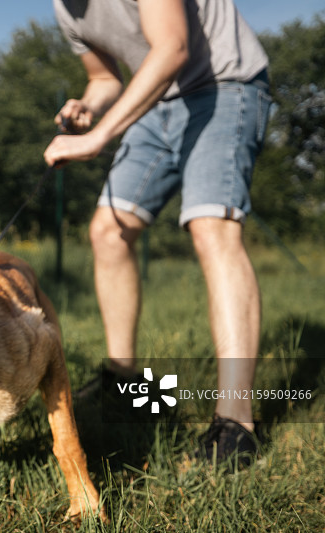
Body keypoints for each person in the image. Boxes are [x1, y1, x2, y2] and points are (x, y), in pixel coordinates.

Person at [43, 0, 271, 466]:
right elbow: (106, 78)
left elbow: (172, 49)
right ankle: (123, 381)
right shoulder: (66, 9)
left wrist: (97, 137)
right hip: (158, 103)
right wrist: (89, 106)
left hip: (224, 85)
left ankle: (236, 424)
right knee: (108, 230)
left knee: (213, 228)